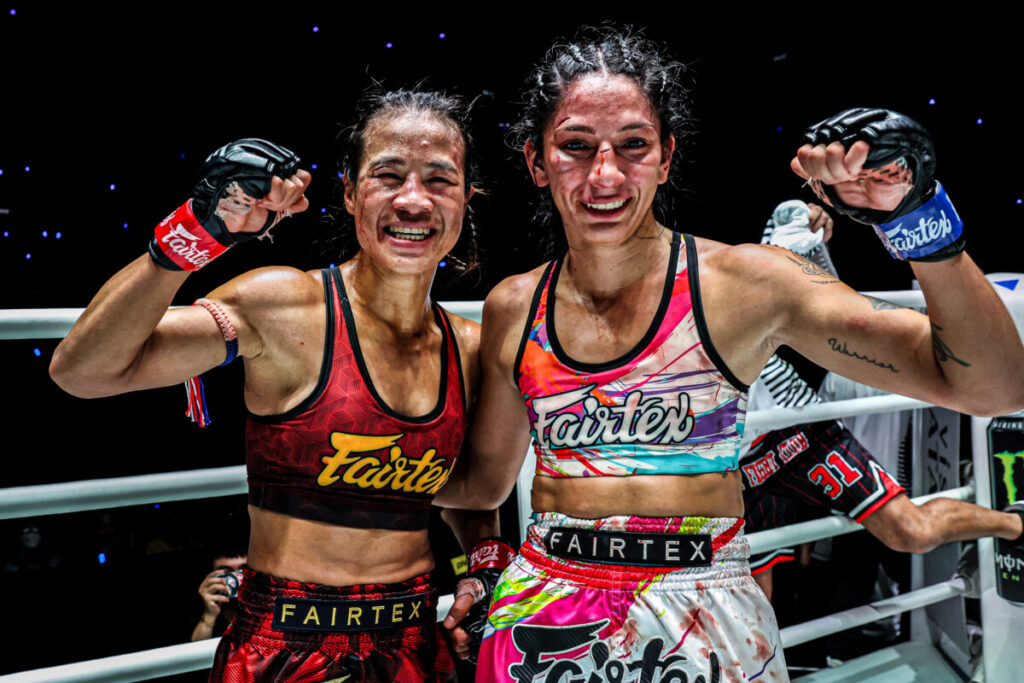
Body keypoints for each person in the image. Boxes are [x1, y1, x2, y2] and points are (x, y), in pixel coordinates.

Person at [440, 26, 1024, 682]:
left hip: (700, 605)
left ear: (666, 156)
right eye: (576, 146)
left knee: (901, 524)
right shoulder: (514, 305)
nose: (605, 174)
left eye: (633, 145)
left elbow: (993, 387)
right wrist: (355, 461)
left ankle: (1010, 523)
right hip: (546, 606)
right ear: (537, 161)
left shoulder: (746, 285)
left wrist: (915, 217)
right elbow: (483, 484)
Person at [49, 88, 495, 682]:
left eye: (439, 180)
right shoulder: (283, 305)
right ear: (349, 194)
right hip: (282, 646)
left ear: (466, 199)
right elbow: (82, 371)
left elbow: (469, 492)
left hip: (413, 645)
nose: (413, 200)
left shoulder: (470, 348)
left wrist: (485, 564)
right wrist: (195, 233)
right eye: (388, 176)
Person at [741, 200, 1024, 600]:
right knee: (753, 587)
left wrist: (803, 221)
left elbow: (786, 252)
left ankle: (1016, 523)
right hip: (733, 460)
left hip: (792, 427)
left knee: (910, 531)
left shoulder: (708, 281)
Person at [192, 551, 248, 642]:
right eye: (227, 573)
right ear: (210, 579)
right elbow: (196, 649)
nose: (237, 579)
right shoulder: (197, 614)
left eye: (244, 569)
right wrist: (209, 615)